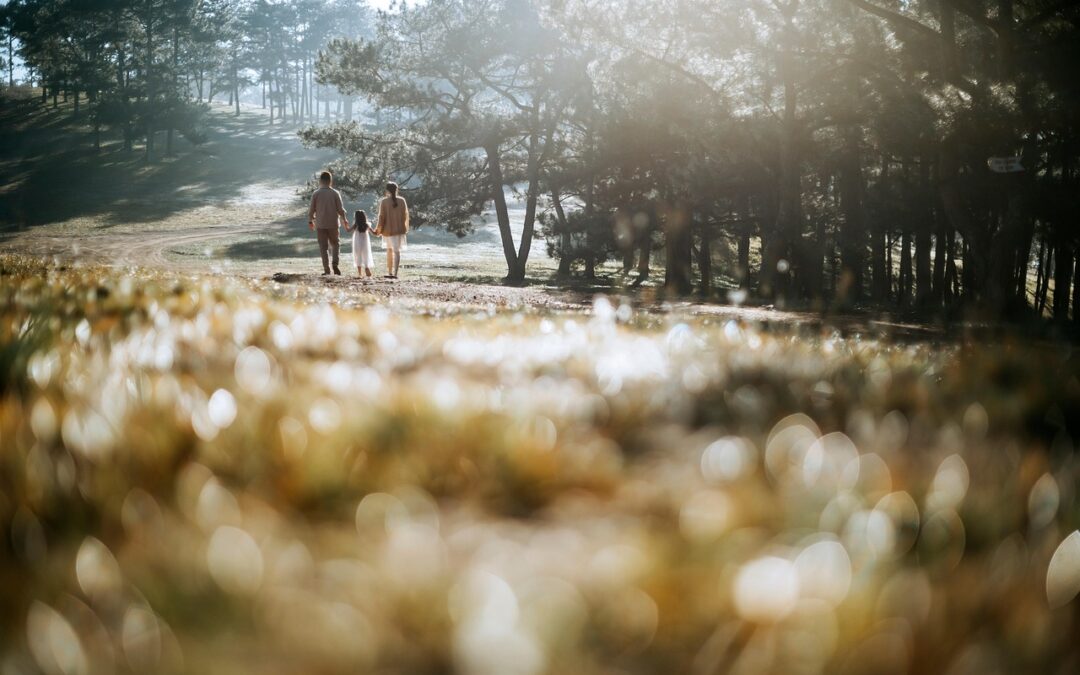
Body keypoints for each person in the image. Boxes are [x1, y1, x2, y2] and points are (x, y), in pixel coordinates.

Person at [307, 170, 348, 275]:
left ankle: (327, 269)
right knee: (335, 244)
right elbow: (340, 209)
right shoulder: (335, 193)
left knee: (323, 247)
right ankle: (335, 263)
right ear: (330, 181)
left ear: (320, 181)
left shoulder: (316, 194)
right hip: (333, 224)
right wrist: (344, 219)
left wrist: (310, 221)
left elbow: (311, 210)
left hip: (320, 224)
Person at [373, 182, 409, 279]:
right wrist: (403, 227)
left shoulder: (384, 201)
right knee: (397, 251)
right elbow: (405, 216)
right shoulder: (402, 201)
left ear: (387, 190)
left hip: (387, 231)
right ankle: (395, 273)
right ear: (396, 190)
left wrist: (378, 230)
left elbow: (381, 217)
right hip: (399, 230)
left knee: (389, 250)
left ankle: (389, 272)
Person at [345, 209, 376, 278]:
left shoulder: (356, 225)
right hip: (365, 243)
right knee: (366, 254)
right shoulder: (367, 225)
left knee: (358, 255)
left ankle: (359, 273)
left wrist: (345, 224)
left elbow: (348, 230)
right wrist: (379, 230)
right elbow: (374, 233)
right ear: (364, 217)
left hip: (357, 242)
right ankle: (367, 267)